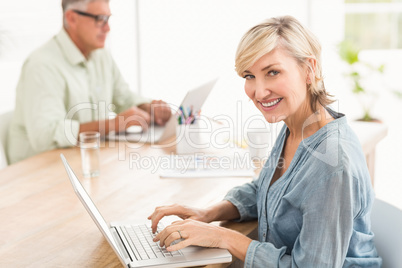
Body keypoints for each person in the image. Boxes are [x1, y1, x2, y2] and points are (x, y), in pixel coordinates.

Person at [148, 16, 381, 267]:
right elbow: (266, 190)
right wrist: (207, 213)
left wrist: (223, 237)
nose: (259, 93)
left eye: (273, 72)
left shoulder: (331, 163)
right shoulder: (298, 125)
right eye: (249, 76)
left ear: (309, 70)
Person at [7, 0, 171, 164]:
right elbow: (47, 136)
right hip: (38, 171)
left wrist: (149, 108)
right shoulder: (41, 65)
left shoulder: (101, 55)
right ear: (72, 18)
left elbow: (124, 98)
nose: (107, 28)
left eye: (108, 19)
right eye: (100, 19)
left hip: (84, 161)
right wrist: (113, 124)